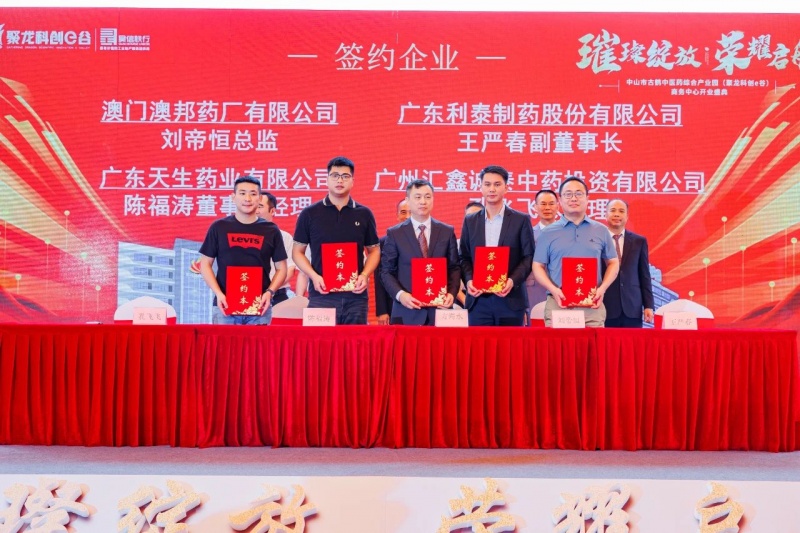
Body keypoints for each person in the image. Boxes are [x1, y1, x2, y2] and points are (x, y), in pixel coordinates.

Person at [292, 156, 380, 324]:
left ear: (352, 181)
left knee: (355, 341)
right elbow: (297, 252)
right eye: (335, 176)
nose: (340, 180)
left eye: (345, 176)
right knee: (319, 341)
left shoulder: (364, 214)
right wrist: (313, 276)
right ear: (327, 179)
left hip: (355, 297)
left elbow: (374, 250)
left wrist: (364, 274)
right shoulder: (310, 213)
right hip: (321, 295)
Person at [199, 175, 287, 325]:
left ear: (260, 198)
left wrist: (270, 292)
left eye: (253, 194)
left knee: (258, 342)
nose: (247, 198)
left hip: (259, 308)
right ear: (233, 197)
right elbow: (205, 264)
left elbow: (282, 268)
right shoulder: (219, 227)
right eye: (242, 193)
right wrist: (218, 293)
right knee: (224, 342)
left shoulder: (271, 230)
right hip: (225, 307)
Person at [532, 177, 619, 327]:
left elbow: (613, 262)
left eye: (578, 193)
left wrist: (602, 288)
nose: (573, 198)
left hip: (593, 306)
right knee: (557, 343)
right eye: (568, 194)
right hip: (558, 304)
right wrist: (553, 289)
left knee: (593, 343)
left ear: (587, 198)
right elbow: (537, 265)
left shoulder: (601, 230)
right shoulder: (547, 232)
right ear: (560, 200)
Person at [459, 165, 535, 326]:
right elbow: (463, 257)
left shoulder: (521, 220)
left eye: (497, 184)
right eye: (487, 184)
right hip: (478, 300)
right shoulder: (470, 221)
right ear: (481, 187)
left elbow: (528, 257)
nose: (492, 189)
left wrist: (512, 281)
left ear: (506, 188)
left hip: (510, 299)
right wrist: (469, 280)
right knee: (479, 343)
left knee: (510, 343)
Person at [380, 180, 460, 325]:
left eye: (427, 197)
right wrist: (401, 295)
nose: (423, 201)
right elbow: (386, 272)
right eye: (417, 197)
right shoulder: (395, 233)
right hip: (406, 311)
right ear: (408, 200)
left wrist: (451, 293)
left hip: (439, 311)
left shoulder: (446, 231)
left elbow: (454, 267)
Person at [603, 199, 655, 327]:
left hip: (632, 307)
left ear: (627, 216)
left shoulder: (639, 241)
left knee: (633, 340)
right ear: (606, 214)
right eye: (613, 210)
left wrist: (648, 305)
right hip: (605, 306)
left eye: (621, 211)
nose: (617, 214)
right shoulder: (598, 240)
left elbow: (644, 275)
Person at [524, 189, 559, 322]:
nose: (547, 208)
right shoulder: (528, 234)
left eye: (551, 204)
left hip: (561, 289)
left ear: (558, 206)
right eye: (543, 204)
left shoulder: (568, 233)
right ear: (535, 207)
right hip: (534, 290)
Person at [375, 198, 411, 325]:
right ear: (397, 215)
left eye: (411, 212)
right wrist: (382, 311)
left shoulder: (424, 239)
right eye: (403, 212)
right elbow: (379, 278)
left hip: (421, 304)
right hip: (393, 305)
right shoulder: (384, 242)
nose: (407, 217)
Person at [257, 192, 296, 304]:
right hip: (246, 292)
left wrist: (270, 289)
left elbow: (290, 269)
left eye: (260, 206)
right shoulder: (241, 236)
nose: (255, 210)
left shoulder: (284, 237)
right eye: (253, 205)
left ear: (272, 211)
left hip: (277, 295)